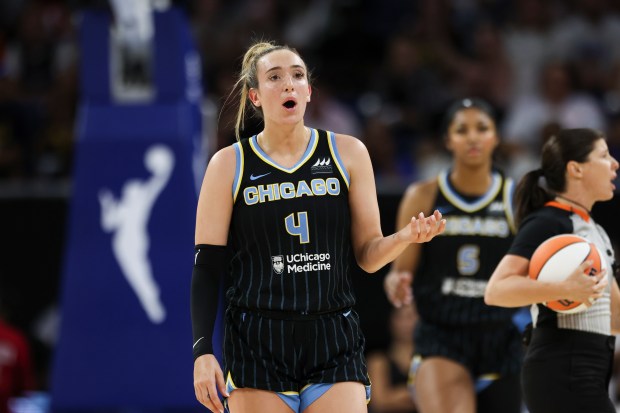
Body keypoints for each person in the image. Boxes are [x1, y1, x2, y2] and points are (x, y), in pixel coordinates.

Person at [190, 40, 446, 413]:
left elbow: (369, 256)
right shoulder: (228, 164)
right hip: (258, 339)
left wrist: (405, 237)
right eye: (274, 78)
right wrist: (202, 351)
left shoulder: (349, 153)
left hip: (331, 334)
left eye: (297, 76)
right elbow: (206, 267)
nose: (289, 85)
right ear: (256, 96)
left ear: (309, 91)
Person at [384, 98, 525, 413]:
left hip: (501, 337)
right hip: (441, 336)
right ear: (448, 140)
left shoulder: (515, 198)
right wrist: (396, 282)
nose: (473, 137)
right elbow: (400, 269)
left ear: (496, 137)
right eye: (462, 130)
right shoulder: (422, 195)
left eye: (482, 128)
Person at [484, 128, 620, 413]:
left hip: (589, 370)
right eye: (605, 156)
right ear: (576, 169)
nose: (615, 164)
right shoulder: (548, 221)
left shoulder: (596, 232)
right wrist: (564, 289)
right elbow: (496, 290)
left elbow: (614, 317)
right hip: (562, 368)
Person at [366, 305, 418, 413]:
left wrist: (396, 396)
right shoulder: (378, 361)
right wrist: (418, 395)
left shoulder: (430, 361)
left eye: (410, 317)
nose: (405, 324)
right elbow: (379, 402)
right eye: (400, 317)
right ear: (391, 321)